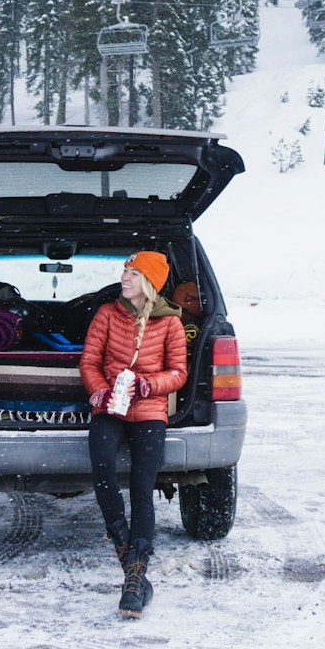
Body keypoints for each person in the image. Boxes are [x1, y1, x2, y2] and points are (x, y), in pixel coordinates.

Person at [79, 250, 187, 618]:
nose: (124, 278)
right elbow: (89, 361)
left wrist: (149, 385)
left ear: (149, 283)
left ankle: (134, 579)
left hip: (149, 410)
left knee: (143, 486)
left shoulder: (170, 323)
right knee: (103, 470)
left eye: (133, 273)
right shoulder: (108, 314)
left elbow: (178, 372)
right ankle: (129, 555)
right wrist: (99, 390)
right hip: (110, 408)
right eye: (125, 271)